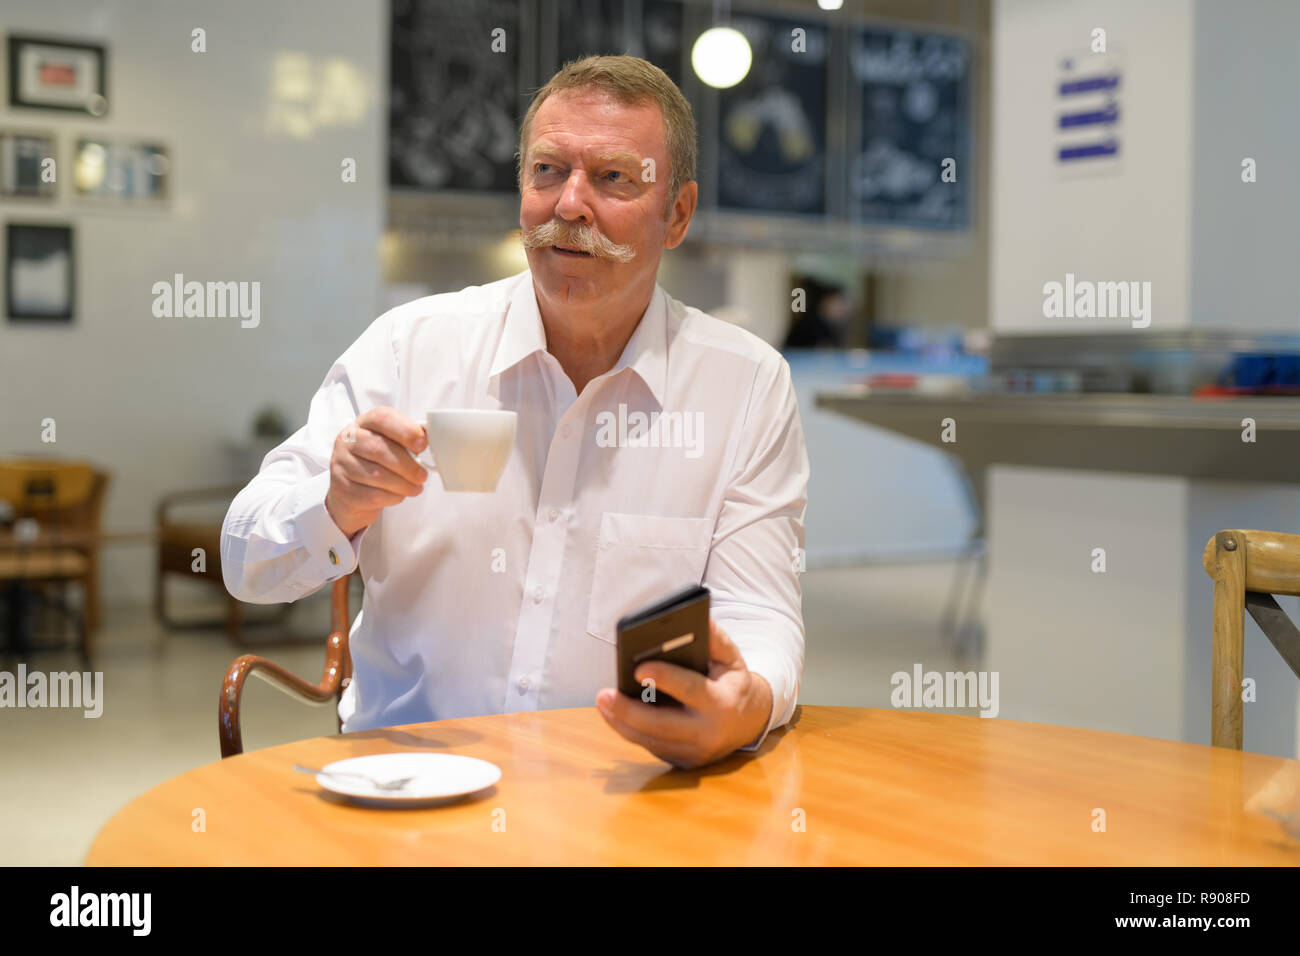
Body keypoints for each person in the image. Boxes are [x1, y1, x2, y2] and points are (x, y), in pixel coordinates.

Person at [221, 55, 809, 769]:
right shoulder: (413, 348)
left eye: (614, 177)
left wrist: (747, 704)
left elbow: (760, 615)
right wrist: (335, 500)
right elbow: (245, 560)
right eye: (548, 171)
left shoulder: (742, 386)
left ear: (676, 213)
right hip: (403, 788)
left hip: (618, 797)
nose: (569, 205)